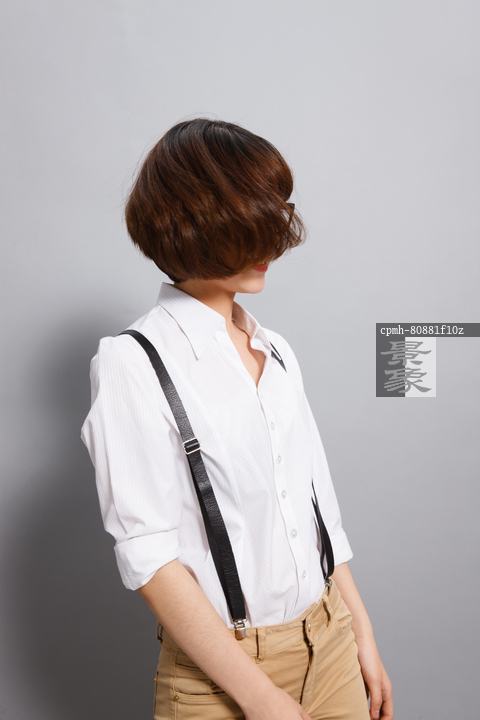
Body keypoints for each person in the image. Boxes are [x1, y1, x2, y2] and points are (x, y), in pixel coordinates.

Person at [81, 118, 393, 720]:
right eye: (247, 224)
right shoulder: (133, 361)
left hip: (329, 642)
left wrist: (361, 632)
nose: (271, 244)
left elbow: (316, 509)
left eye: (275, 216)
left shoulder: (276, 350)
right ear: (188, 228)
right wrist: (262, 699)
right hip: (222, 675)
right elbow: (151, 560)